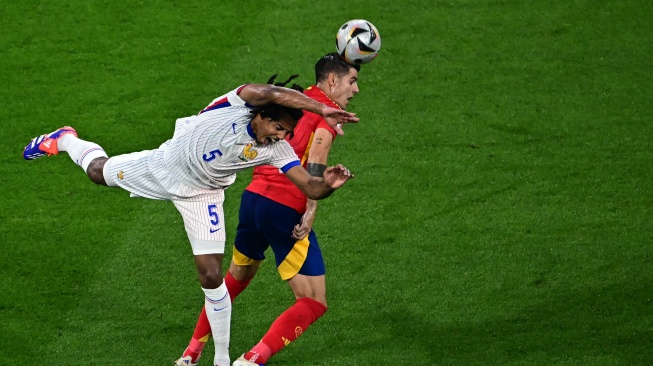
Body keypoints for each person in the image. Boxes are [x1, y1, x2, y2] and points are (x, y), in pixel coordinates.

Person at [22, 82, 358, 366]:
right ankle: (65, 139)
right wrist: (320, 108)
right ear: (261, 115)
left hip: (203, 196)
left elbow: (310, 186)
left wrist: (327, 184)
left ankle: (221, 359)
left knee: (212, 275)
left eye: (286, 133)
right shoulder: (234, 104)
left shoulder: (276, 150)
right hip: (163, 167)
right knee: (98, 173)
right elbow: (267, 90)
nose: (280, 137)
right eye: (277, 128)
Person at [174, 53, 361, 366]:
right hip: (284, 207)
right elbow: (315, 162)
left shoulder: (296, 102)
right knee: (314, 300)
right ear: (332, 80)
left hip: (253, 201)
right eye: (352, 81)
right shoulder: (327, 114)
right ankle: (252, 359)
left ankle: (191, 354)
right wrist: (311, 209)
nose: (355, 90)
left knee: (235, 279)